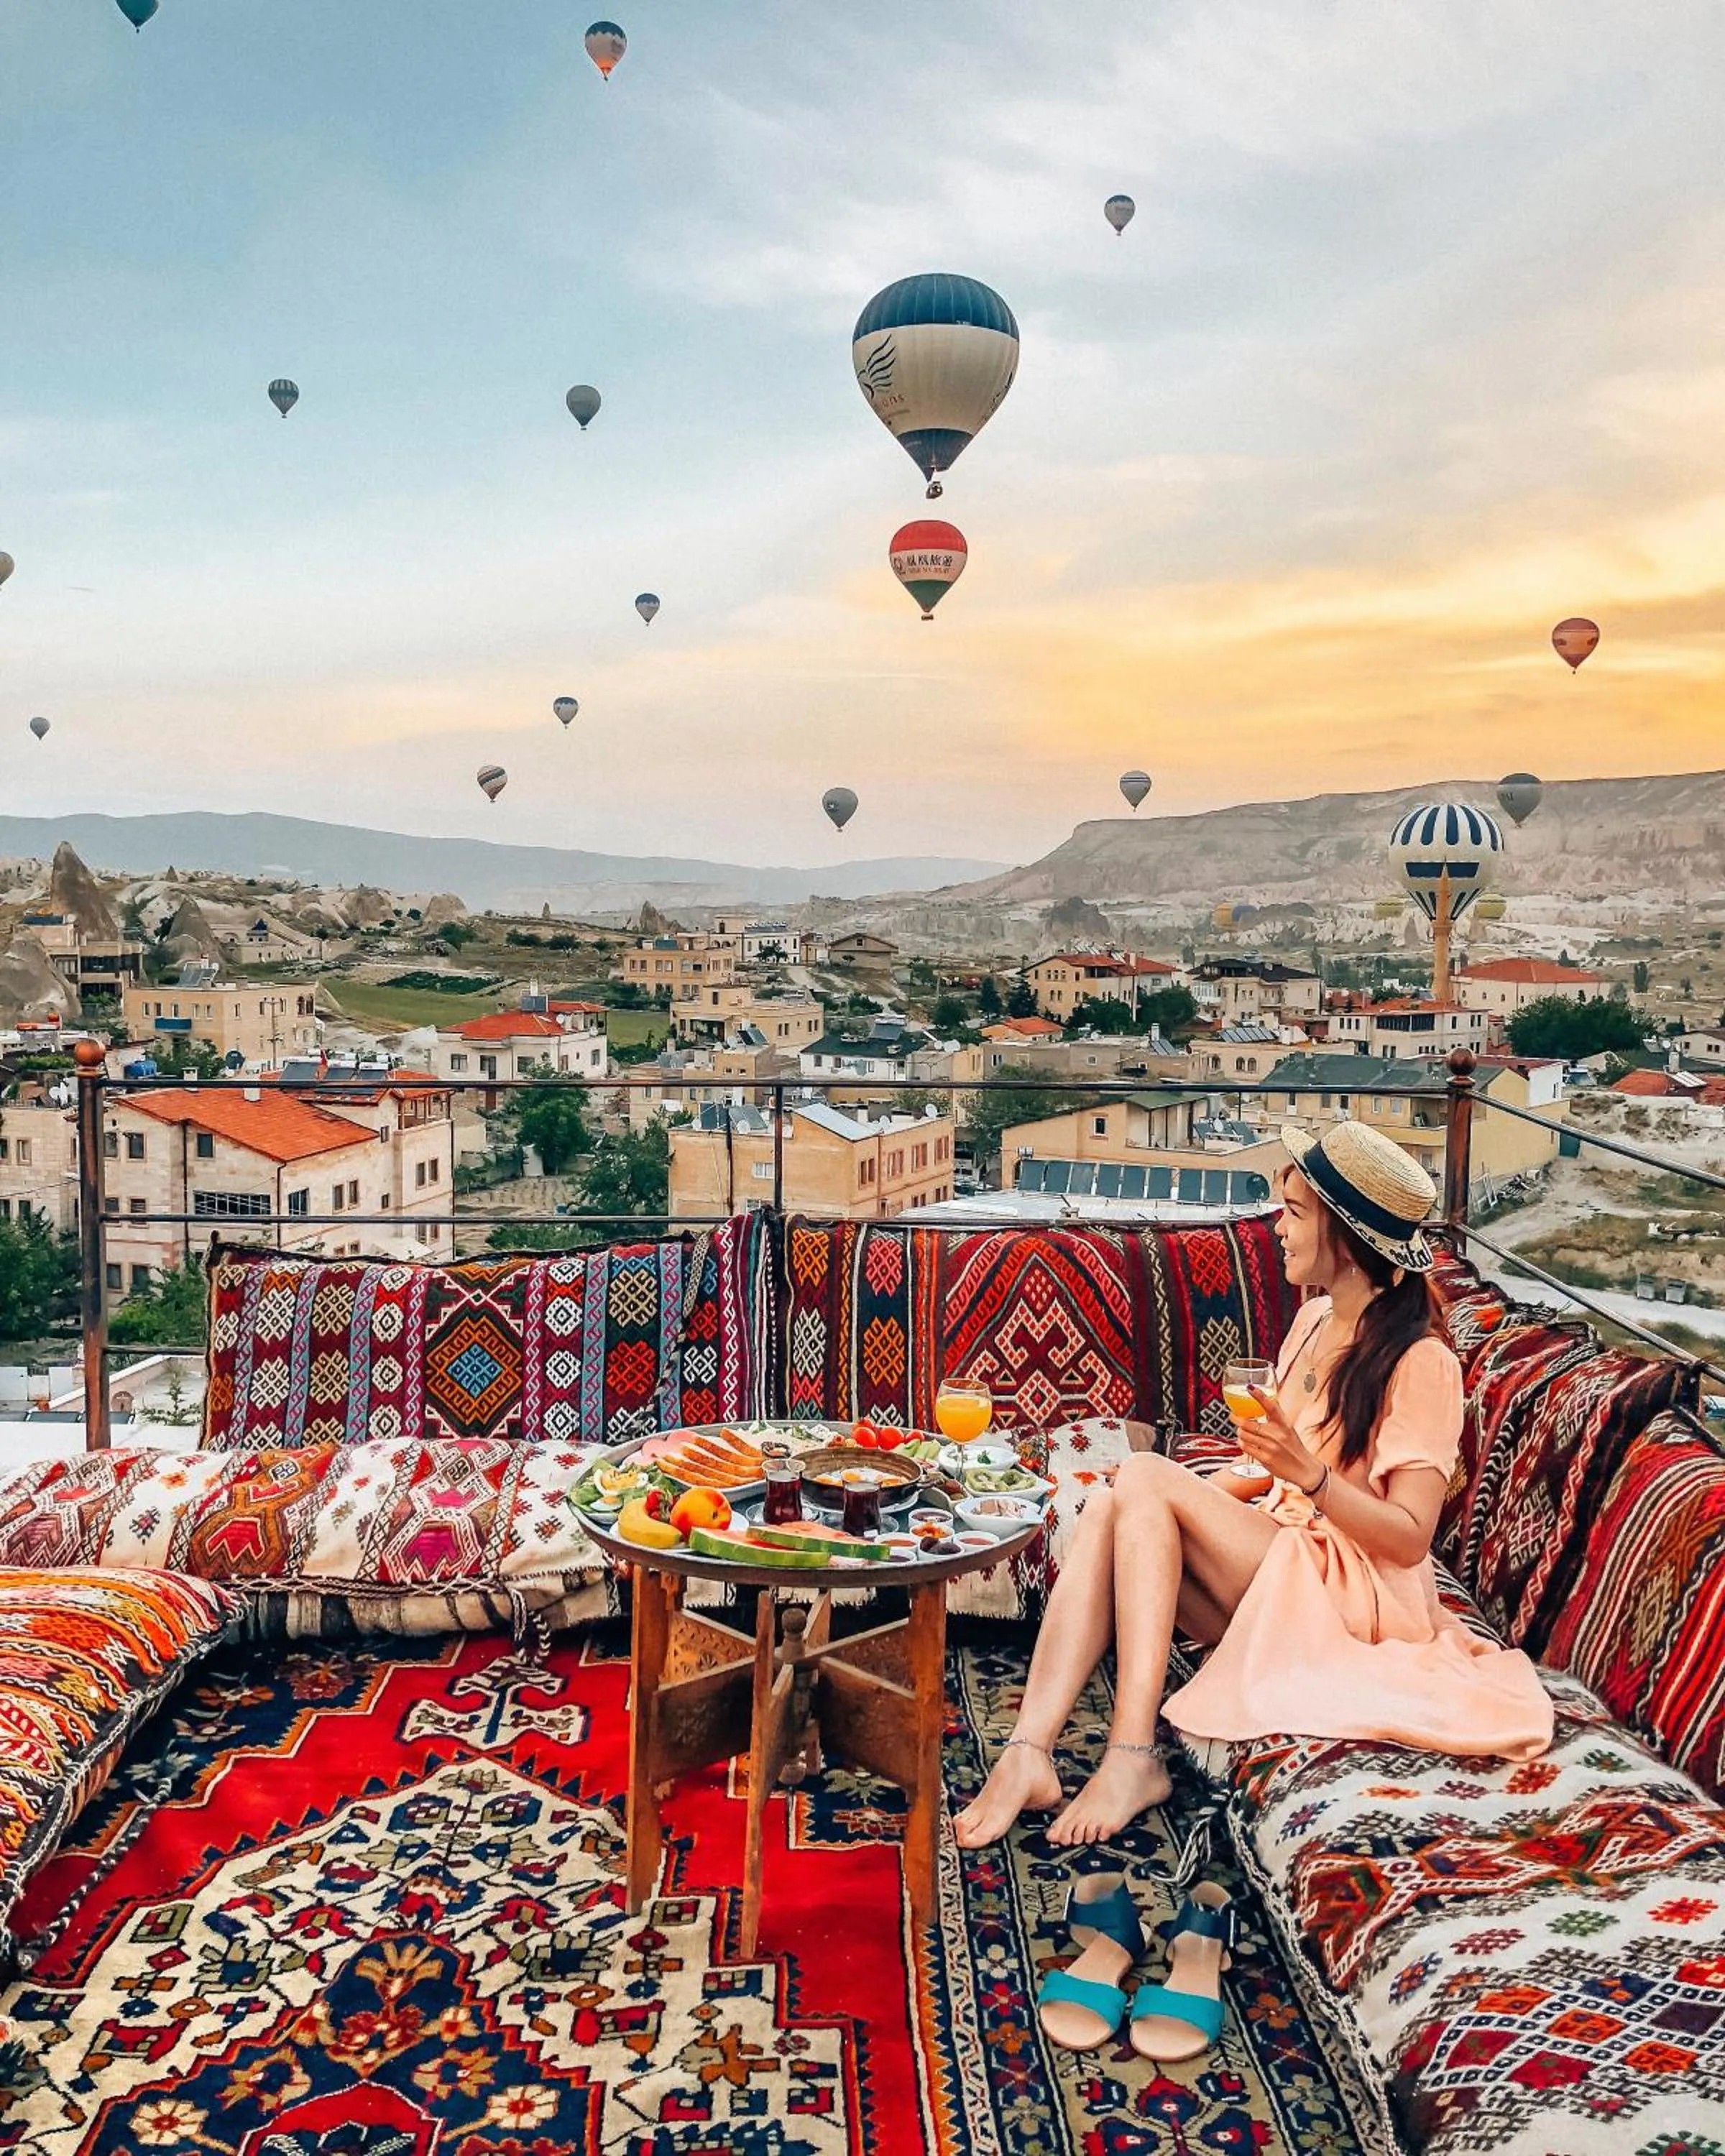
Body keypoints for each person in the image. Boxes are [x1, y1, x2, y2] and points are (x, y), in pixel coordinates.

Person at [954, 1120, 1553, 1849]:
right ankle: (1030, 1751)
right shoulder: (1310, 1321)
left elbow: (1408, 1540)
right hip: (1281, 1560)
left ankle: (1133, 1753)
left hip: (1351, 1594)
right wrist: (1171, 1493)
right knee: (1121, 1496)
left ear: (1347, 1235)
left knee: (1143, 1480)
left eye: (1296, 1213)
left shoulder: (1420, 1360)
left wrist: (1307, 1474)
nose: (1277, 1228)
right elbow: (1266, 1477)